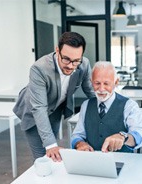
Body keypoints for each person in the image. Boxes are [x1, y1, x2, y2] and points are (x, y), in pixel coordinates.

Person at [13, 32, 95, 161]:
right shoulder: (39, 68)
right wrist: (50, 145)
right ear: (57, 50)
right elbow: (39, 108)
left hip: (55, 108)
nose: (70, 65)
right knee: (43, 157)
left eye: (76, 61)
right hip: (33, 111)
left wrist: (111, 106)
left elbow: (91, 91)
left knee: (54, 156)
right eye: (66, 59)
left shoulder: (84, 64)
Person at [71, 61, 142, 153]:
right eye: (97, 83)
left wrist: (124, 137)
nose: (101, 89)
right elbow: (77, 135)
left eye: (106, 83)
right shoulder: (86, 105)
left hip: (122, 160)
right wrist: (79, 143)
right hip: (93, 160)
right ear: (91, 82)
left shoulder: (129, 106)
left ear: (116, 82)